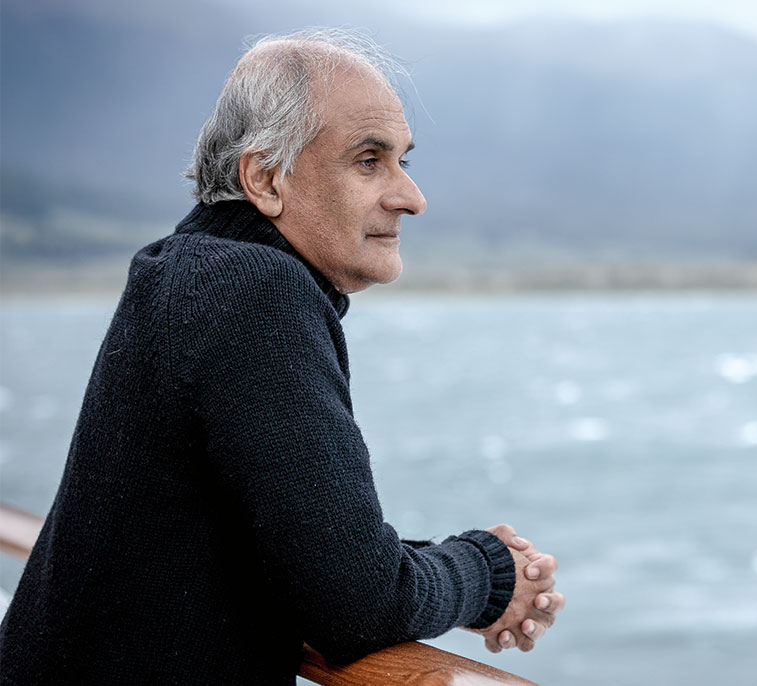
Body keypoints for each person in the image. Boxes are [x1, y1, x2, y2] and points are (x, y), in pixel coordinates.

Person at [0, 28, 562, 684]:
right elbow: (355, 604)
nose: (411, 196)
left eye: (405, 160)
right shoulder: (255, 292)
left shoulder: (179, 270)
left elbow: (297, 554)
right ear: (266, 179)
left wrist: (454, 569)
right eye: (369, 160)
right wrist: (489, 571)